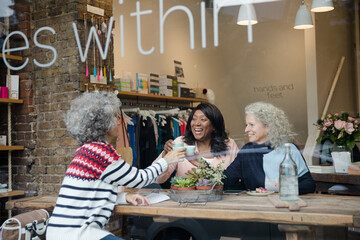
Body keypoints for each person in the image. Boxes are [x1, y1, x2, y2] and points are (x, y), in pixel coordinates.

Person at [46, 91, 185, 240]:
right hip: (79, 234)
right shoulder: (102, 152)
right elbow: (140, 179)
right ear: (103, 123)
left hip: (59, 232)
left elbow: (93, 194)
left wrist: (124, 197)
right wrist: (167, 160)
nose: (119, 121)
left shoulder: (84, 150)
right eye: (114, 116)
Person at [223, 102, 315, 194]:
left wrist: (286, 187)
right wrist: (209, 173)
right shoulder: (247, 151)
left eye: (251, 125)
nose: (246, 130)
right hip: (257, 206)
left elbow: (308, 184)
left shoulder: (289, 149)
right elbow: (227, 178)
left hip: (283, 204)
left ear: (268, 127)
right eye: (246, 125)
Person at [154, 102, 239, 184]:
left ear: (214, 126)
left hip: (220, 198)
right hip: (186, 198)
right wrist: (165, 155)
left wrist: (199, 164)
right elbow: (156, 178)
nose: (197, 123)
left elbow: (237, 179)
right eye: (194, 119)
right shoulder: (181, 143)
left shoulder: (229, 145)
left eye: (203, 119)